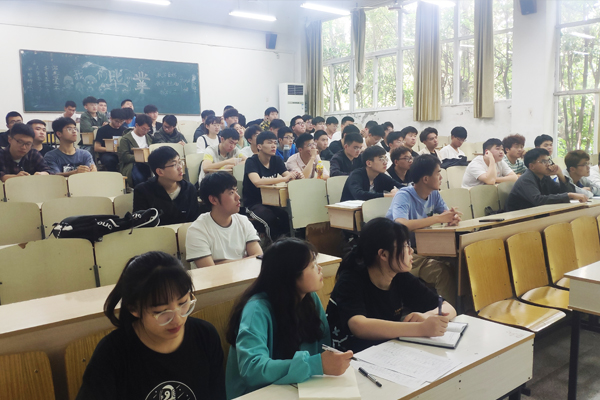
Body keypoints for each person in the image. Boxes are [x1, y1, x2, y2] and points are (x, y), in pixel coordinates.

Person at [76, 251, 225, 399]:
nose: (177, 319)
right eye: (161, 312)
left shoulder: (205, 335)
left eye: (183, 303)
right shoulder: (112, 353)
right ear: (134, 308)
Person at [225, 238, 352, 399]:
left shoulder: (310, 299)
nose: (320, 269)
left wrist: (325, 363)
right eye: (313, 265)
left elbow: (323, 347)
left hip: (298, 386)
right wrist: (315, 365)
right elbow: (252, 369)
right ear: (290, 276)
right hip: (258, 393)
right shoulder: (256, 309)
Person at [327, 218, 457, 352]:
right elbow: (359, 326)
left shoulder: (400, 276)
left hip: (383, 350)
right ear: (383, 254)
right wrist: (420, 328)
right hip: (349, 356)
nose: (411, 251)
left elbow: (449, 308)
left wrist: (427, 316)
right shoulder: (351, 279)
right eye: (405, 246)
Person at [385, 155, 461, 305]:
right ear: (425, 179)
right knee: (441, 271)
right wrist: (437, 219)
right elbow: (401, 224)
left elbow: (446, 214)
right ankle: (449, 314)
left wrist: (453, 218)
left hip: (424, 247)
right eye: (438, 173)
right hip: (402, 251)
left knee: (458, 261)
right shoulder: (403, 195)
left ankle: (465, 307)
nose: (441, 177)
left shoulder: (434, 194)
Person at [186, 172, 262, 268]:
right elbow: (209, 270)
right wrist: (246, 260)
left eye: (236, 191)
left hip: (245, 276)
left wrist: (219, 263)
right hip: (215, 278)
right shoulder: (197, 230)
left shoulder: (243, 221)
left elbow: (258, 257)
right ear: (213, 200)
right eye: (231, 193)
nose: (238, 197)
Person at [243, 131, 300, 242]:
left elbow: (287, 176)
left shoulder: (276, 160)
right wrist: (284, 179)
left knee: (285, 215)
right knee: (269, 218)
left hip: (272, 201)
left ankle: (288, 243)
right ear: (259, 146)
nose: (274, 146)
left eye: (275, 143)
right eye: (269, 143)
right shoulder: (251, 161)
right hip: (253, 203)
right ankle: (275, 245)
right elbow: (257, 182)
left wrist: (295, 176)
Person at [133, 146, 200, 226]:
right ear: (160, 172)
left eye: (179, 162)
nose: (180, 167)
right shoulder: (142, 191)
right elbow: (141, 224)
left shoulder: (189, 188)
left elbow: (195, 220)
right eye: (174, 164)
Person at [506, 148, 587, 211]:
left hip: (536, 214)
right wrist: (568, 195)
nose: (548, 164)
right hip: (517, 218)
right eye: (544, 161)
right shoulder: (526, 179)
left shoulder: (545, 177)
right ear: (532, 166)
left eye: (548, 161)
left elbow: (562, 192)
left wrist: (560, 175)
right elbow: (538, 200)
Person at [118, 114, 154, 187]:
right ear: (136, 125)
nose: (145, 131)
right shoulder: (125, 139)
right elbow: (124, 156)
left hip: (148, 164)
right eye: (143, 129)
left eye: (148, 129)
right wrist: (140, 157)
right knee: (140, 178)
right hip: (132, 165)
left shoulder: (149, 137)